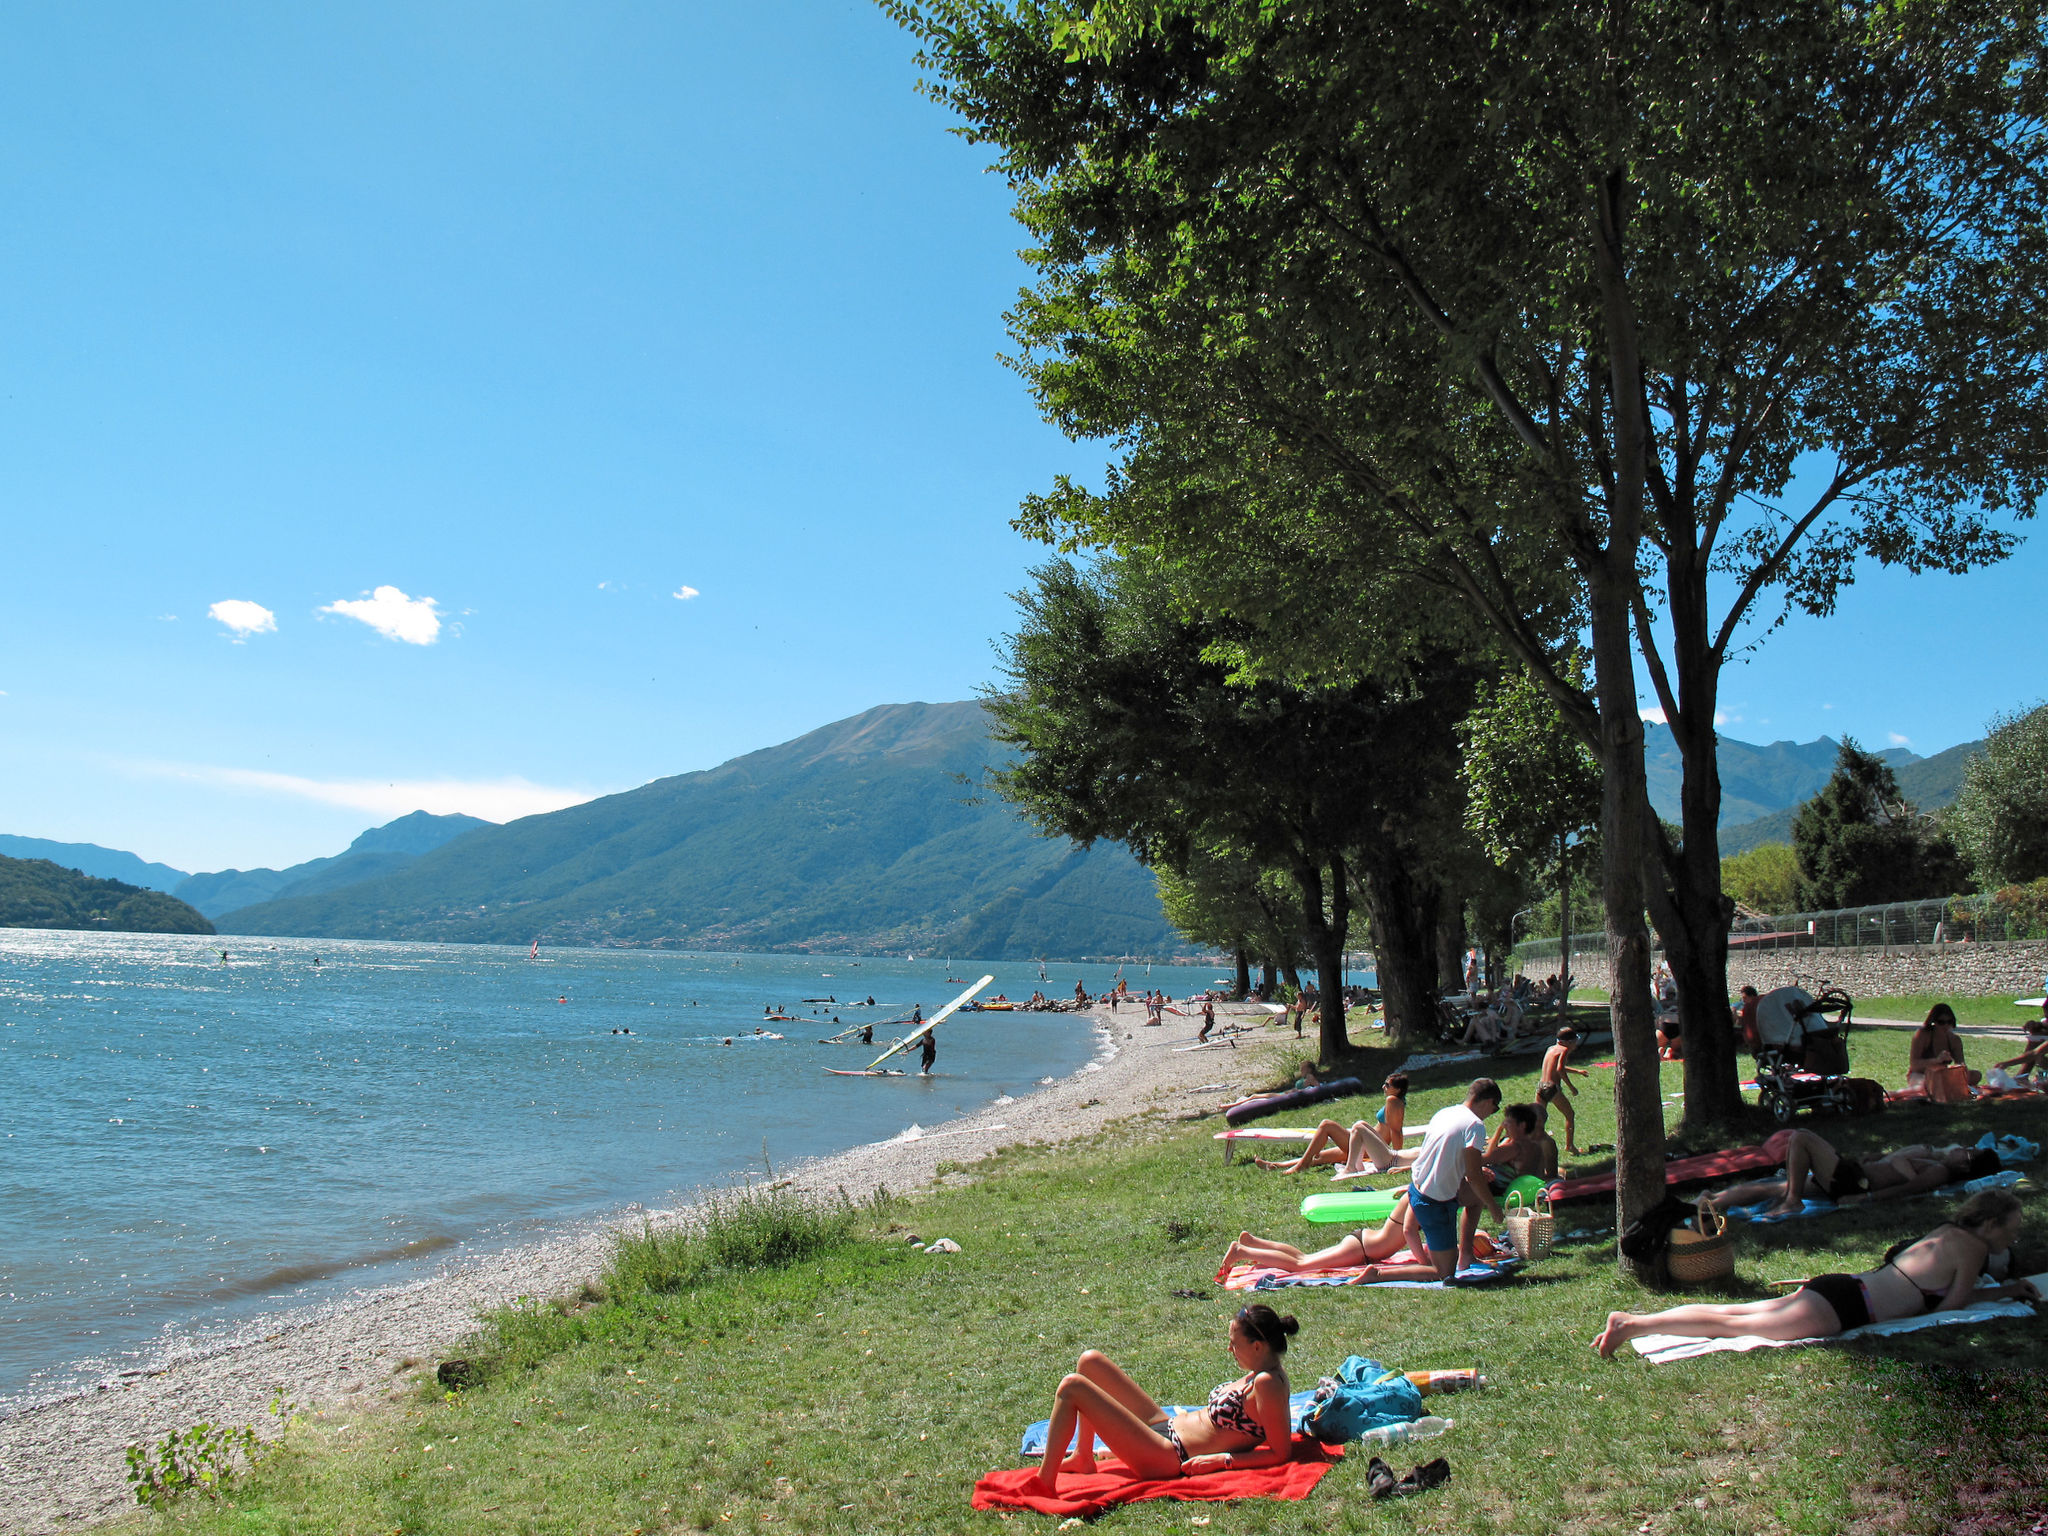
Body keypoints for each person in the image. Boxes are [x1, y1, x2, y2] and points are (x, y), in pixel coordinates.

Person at [1594, 1189, 2037, 1357]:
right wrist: (2007, 1292)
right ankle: (1633, 1324)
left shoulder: (1948, 1230)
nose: (2012, 1240)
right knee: (1730, 1325)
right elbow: (1955, 1305)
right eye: (2011, 1231)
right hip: (1848, 1305)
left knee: (1737, 1314)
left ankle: (1636, 1322)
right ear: (1992, 1224)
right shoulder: (1976, 1248)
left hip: (1845, 1288)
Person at [1027, 1306, 1299, 1493]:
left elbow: (1280, 1453)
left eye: (1234, 1344)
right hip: (1166, 1427)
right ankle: (1083, 1457)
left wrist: (1221, 1461)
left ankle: (1045, 1482)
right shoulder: (1257, 1374)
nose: (1229, 1349)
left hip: (1169, 1456)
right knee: (1089, 1362)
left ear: (1257, 1346)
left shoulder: (1267, 1384)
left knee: (1072, 1386)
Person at [1707, 1130, 2001, 1215]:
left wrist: (1866, 1199)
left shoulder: (1939, 1172)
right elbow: (1893, 1166)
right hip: (1850, 1175)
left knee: (1801, 1138)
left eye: (1968, 1151)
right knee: (1767, 1187)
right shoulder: (1933, 1159)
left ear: (1965, 1166)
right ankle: (1709, 1203)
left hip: (1853, 1181)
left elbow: (1905, 1190)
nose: (1962, 1148)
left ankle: (1793, 1199)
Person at [1407, 1078, 1505, 1275]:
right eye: (1495, 1109)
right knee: (1444, 1272)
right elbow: (1474, 1175)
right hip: (1434, 1203)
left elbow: (1445, 1157)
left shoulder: (1445, 1112)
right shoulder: (1475, 1125)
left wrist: (1473, 1174)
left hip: (1418, 1189)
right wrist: (1494, 1207)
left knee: (1476, 1198)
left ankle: (1466, 1254)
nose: (1491, 1114)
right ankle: (1377, 1274)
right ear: (1488, 1101)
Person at [1219, 1195, 1431, 1276]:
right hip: (1361, 1249)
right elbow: (1407, 1231)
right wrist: (1424, 1261)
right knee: (1300, 1265)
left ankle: (1253, 1242)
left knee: (1303, 1257)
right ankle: (1242, 1251)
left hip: (1363, 1244)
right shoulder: (1417, 1198)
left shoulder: (1414, 1192)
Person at [1538, 1028, 1587, 1155]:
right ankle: (1570, 1146)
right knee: (1570, 1115)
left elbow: (1556, 1067)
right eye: (1575, 1042)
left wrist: (1577, 1071)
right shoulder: (1564, 1050)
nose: (1575, 1045)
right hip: (1552, 1088)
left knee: (1539, 1118)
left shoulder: (1551, 1049)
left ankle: (1534, 1145)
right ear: (1569, 1042)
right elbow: (1560, 1070)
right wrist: (1572, 1087)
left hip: (1541, 1086)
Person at [1908, 1003, 1980, 1089]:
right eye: (1941, 1022)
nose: (1946, 1026)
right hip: (1920, 1075)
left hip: (1943, 1074)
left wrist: (1961, 1070)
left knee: (1976, 1075)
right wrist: (1937, 1060)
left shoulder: (1954, 1040)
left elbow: (1961, 1064)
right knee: (1930, 1084)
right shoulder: (1922, 1035)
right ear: (1933, 1022)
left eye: (1949, 1022)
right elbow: (1914, 1064)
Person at [1733, 985, 1762, 1054]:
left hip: (1756, 1037)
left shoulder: (1754, 1007)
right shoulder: (1751, 1006)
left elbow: (1739, 1023)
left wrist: (1737, 1015)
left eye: (1745, 998)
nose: (1743, 1000)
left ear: (1752, 996)